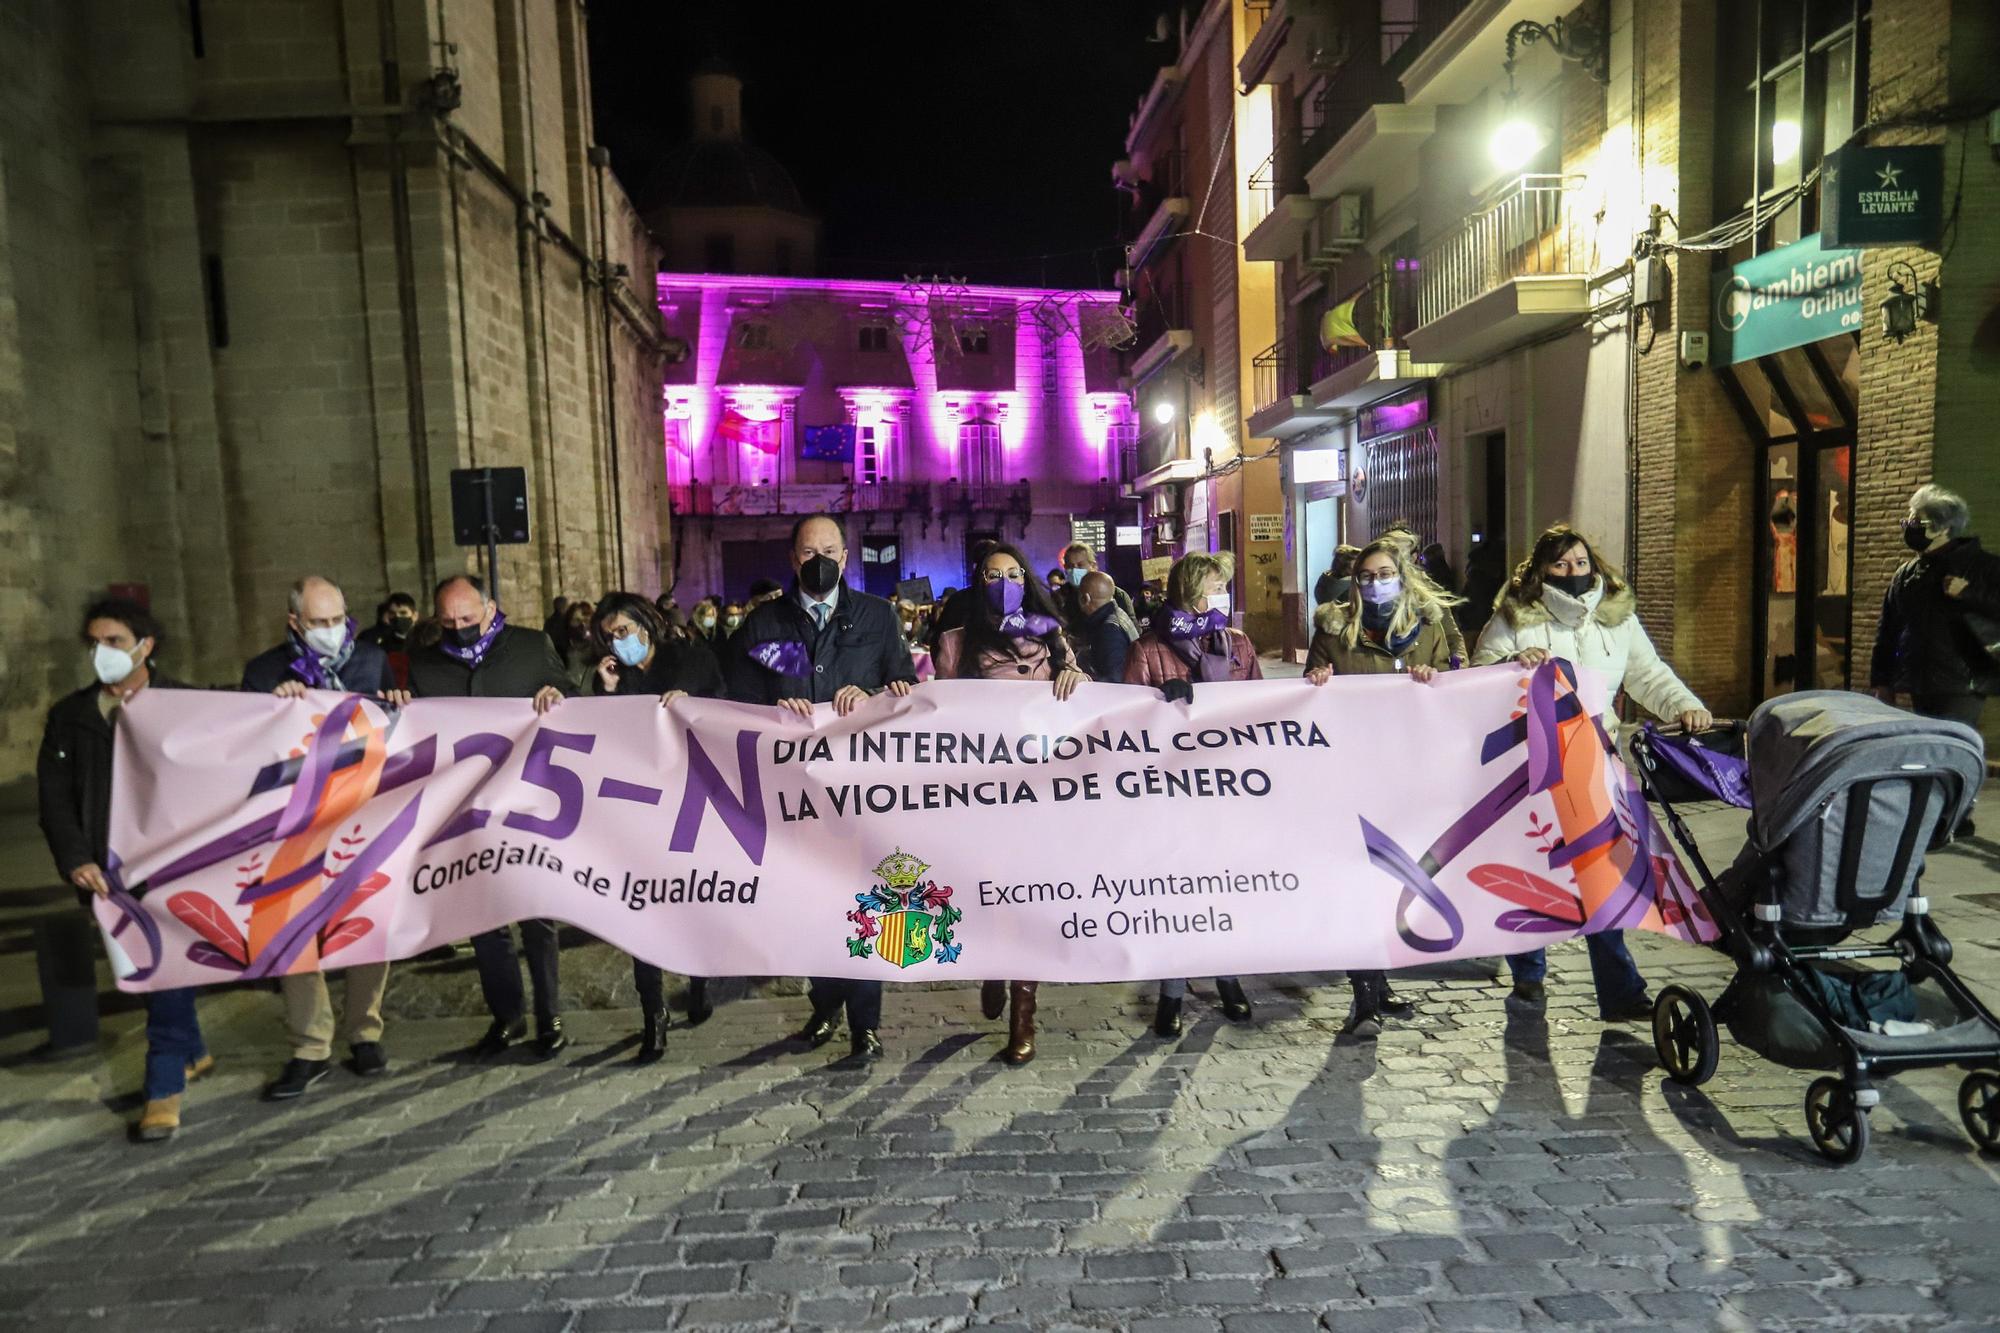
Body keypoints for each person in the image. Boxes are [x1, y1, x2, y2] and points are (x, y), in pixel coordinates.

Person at [1472, 523, 1711, 1020]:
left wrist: (1685, 705)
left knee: (1603, 870)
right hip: (1533, 762)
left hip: (1596, 758)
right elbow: (1479, 672)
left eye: (1580, 562)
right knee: (1532, 863)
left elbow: (1648, 674)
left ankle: (1620, 990)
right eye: (1560, 564)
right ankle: (1529, 976)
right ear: (1540, 570)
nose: (1572, 572)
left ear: (1594, 565)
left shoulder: (1616, 619)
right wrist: (1514, 662)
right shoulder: (1516, 616)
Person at [722, 515, 917, 1067]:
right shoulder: (761, 627)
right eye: (810, 552)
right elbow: (732, 700)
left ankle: (866, 1025)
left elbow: (905, 689)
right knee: (807, 906)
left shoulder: (878, 617)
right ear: (793, 559)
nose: (821, 560)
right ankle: (825, 999)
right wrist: (771, 708)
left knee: (864, 901)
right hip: (792, 796)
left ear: (847, 556)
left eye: (830, 550)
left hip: (860, 793)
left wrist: (876, 692)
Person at [38, 597, 206, 1141]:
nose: (101, 653)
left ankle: (162, 1089)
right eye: (94, 642)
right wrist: (75, 859)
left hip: (172, 866)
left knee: (161, 968)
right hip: (106, 870)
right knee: (150, 971)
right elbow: (55, 800)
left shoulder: (185, 704)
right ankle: (193, 1051)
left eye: (113, 641)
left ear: (144, 647)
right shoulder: (71, 717)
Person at [240, 576, 404, 1100]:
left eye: (338, 620)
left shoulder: (371, 662)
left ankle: (365, 1032)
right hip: (293, 822)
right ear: (295, 623)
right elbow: (246, 745)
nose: (332, 632)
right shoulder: (264, 672)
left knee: (365, 920)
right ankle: (310, 1045)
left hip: (362, 813)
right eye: (319, 623)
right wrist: (273, 707)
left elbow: (394, 729)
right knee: (292, 929)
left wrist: (400, 703)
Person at [933, 543, 1091, 1066]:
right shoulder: (956, 643)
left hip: (1041, 794)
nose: (1005, 582)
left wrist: (1078, 680)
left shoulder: (1053, 637)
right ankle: (993, 966)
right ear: (979, 584)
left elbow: (1085, 704)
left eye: (1015, 573)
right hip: (983, 795)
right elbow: (940, 715)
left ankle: (1024, 1016)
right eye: (994, 575)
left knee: (1029, 900)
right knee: (988, 892)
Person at [409, 574, 575, 1059]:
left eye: (468, 618)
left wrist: (557, 695)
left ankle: (550, 1015)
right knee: (482, 916)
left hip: (527, 799)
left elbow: (571, 697)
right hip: (463, 805)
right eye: (448, 622)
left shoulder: (529, 646)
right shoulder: (425, 664)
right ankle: (507, 1016)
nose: (459, 628)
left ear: (490, 607)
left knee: (535, 913)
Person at [1305, 539, 1462, 1036]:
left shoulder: (1433, 623)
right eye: (1366, 576)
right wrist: (1317, 678)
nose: (1375, 583)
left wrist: (1439, 675)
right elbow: (1310, 684)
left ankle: (1381, 983)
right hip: (1353, 772)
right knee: (1360, 881)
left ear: (1403, 574)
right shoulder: (1333, 630)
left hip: (1413, 771)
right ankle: (1365, 996)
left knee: (1398, 879)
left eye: (1383, 573)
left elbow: (1462, 671)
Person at [1124, 552, 1260, 1035]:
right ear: (1188, 593)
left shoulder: (1238, 644)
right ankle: (1172, 993)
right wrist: (1160, 706)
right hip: (1170, 794)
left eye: (1224, 587)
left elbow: (1262, 711)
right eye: (1212, 587)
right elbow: (1127, 729)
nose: (1219, 596)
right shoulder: (1149, 648)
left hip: (1226, 792)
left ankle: (1229, 981)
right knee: (1177, 896)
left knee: (1222, 890)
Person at [591, 593, 725, 1060]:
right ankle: (654, 1016)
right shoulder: (614, 676)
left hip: (690, 803)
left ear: (647, 625)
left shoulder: (691, 659)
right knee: (641, 911)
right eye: (608, 635)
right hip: (639, 808)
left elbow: (727, 714)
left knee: (690, 903)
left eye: (623, 631)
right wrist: (606, 692)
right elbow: (600, 738)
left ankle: (699, 981)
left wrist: (695, 704)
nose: (616, 641)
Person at [1871, 483, 2000, 734]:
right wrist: (1882, 681)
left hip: (1962, 684)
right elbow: (1887, 629)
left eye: (1918, 523)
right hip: (1918, 681)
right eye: (1907, 521)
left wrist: (1968, 594)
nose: (1909, 528)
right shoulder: (1906, 574)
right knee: (1927, 750)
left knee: (1951, 749)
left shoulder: (1983, 568)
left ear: (1944, 528)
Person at [1076, 570, 1140, 683]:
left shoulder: (1109, 630)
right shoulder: (1116, 614)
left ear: (1085, 598)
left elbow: (1113, 680)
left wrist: (1085, 678)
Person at [1058, 541, 1138, 626]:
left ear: (1093, 566)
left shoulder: (1117, 595)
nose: (1075, 570)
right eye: (1070, 566)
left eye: (1080, 565)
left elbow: (1133, 630)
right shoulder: (1061, 596)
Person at [358, 592, 419, 689]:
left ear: (415, 615)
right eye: (392, 614)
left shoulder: (422, 639)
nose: (397, 617)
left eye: (403, 613)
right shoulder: (379, 640)